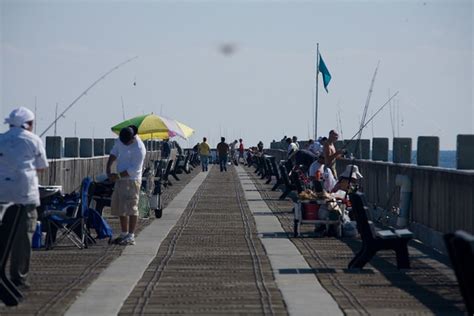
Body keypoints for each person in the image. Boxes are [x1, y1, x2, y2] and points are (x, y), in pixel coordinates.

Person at [0, 107, 48, 289]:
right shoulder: (34, 140)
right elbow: (41, 166)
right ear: (28, 124)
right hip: (24, 194)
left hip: (2, 193)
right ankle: (18, 277)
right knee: (23, 236)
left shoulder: (1, 139)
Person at [107, 126, 146, 246]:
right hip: (120, 179)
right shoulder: (121, 139)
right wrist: (108, 167)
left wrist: (117, 176)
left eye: (127, 142)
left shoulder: (139, 148)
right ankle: (124, 233)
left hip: (132, 180)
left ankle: (131, 236)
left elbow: (133, 170)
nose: (124, 144)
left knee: (132, 207)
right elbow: (114, 152)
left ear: (132, 138)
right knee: (121, 207)